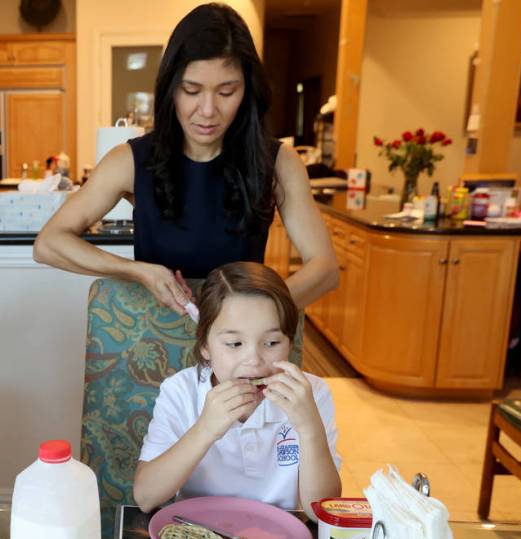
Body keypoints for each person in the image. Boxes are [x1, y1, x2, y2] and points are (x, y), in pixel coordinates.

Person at [33, 3, 338, 314]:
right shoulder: (130, 161)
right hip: (156, 338)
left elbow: (325, 267)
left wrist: (258, 315)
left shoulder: (278, 162)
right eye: (192, 90)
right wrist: (138, 271)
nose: (207, 110)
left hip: (240, 347)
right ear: (171, 89)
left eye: (226, 92)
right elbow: (49, 243)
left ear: (247, 91)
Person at [132, 262, 341, 519]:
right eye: (234, 343)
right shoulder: (180, 391)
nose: (253, 359)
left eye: (272, 342)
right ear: (205, 346)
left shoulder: (312, 394)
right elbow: (145, 497)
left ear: (289, 342)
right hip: (198, 536)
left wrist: (310, 429)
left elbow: (321, 511)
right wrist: (205, 429)